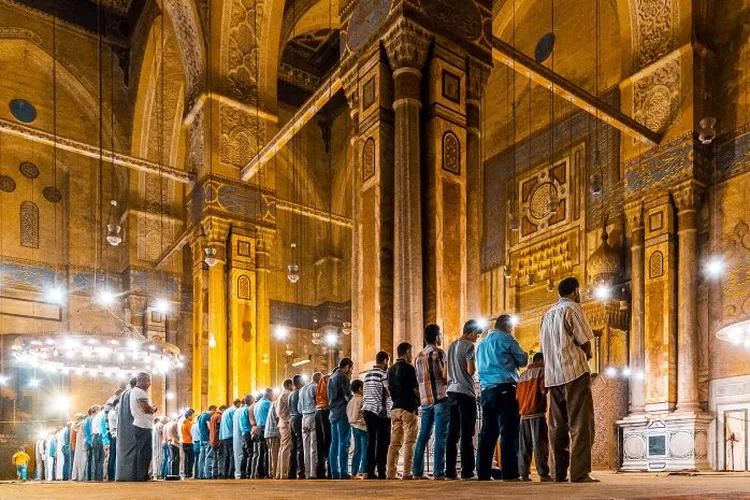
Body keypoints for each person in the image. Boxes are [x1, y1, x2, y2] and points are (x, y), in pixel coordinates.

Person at [540, 277, 597, 483]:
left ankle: (558, 473)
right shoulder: (573, 308)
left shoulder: (546, 315)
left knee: (557, 426)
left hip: (553, 376)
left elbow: (543, 348)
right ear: (575, 291)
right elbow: (585, 341)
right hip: (574, 372)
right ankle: (580, 473)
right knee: (581, 423)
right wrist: (587, 355)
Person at [476, 314, 528, 481]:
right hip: (505, 389)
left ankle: (483, 473)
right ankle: (510, 473)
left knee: (487, 433)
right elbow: (522, 360)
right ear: (507, 327)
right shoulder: (507, 339)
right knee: (508, 432)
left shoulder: (481, 343)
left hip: (486, 391)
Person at [445, 319, 482, 480]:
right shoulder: (469, 346)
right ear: (472, 332)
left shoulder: (450, 346)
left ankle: (450, 472)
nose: (477, 338)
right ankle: (467, 472)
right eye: (477, 335)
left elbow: (444, 373)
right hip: (465, 393)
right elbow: (470, 370)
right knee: (467, 433)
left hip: (451, 392)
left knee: (452, 434)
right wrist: (471, 370)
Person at [413, 324, 449, 480]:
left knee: (423, 436)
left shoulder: (418, 357)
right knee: (440, 435)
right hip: (440, 398)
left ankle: (417, 472)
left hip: (425, 400)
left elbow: (417, 380)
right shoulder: (439, 353)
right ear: (436, 337)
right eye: (439, 335)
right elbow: (445, 375)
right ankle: (438, 472)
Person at [387, 342, 420, 480]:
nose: (411, 354)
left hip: (395, 408)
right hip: (408, 407)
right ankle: (407, 472)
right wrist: (420, 401)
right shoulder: (409, 368)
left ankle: (391, 474)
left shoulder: (390, 369)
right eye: (411, 351)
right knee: (409, 442)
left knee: (394, 443)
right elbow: (415, 389)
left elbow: (390, 389)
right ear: (407, 351)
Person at [517, 352, 551, 482]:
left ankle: (524, 474)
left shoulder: (522, 376)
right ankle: (543, 473)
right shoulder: (542, 372)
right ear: (541, 361)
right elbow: (544, 390)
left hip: (523, 414)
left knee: (524, 445)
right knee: (540, 444)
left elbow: (517, 396)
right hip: (537, 413)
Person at [362, 351, 390, 480]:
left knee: (371, 441)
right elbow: (388, 393)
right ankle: (381, 471)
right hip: (379, 411)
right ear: (385, 361)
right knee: (382, 443)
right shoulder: (383, 374)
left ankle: (369, 471)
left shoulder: (367, 375)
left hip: (367, 410)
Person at [328, 358, 354, 479]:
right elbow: (347, 395)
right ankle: (343, 472)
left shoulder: (331, 377)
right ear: (347, 366)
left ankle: (334, 472)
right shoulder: (343, 377)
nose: (352, 371)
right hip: (342, 412)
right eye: (351, 368)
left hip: (333, 413)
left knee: (334, 443)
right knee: (344, 443)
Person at [130, 372, 157, 481]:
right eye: (148, 381)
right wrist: (153, 409)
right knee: (144, 452)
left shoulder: (134, 392)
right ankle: (141, 475)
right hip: (143, 426)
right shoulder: (140, 393)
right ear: (141, 381)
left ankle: (140, 475)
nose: (149, 384)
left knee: (142, 451)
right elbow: (145, 408)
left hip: (140, 425)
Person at [115, 377, 138, 481]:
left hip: (123, 430)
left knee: (123, 453)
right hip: (131, 428)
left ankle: (123, 475)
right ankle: (132, 475)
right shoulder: (133, 393)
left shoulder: (124, 394)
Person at [300, 373, 319, 479]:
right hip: (312, 417)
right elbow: (318, 401)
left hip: (304, 418)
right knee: (313, 446)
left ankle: (306, 473)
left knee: (305, 447)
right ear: (317, 379)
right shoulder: (314, 387)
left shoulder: (302, 389)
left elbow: (299, 407)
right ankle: (313, 473)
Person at [347, 379, 367, 479]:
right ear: (360, 389)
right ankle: (364, 471)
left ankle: (354, 473)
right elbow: (363, 414)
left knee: (357, 450)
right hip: (363, 428)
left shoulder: (350, 401)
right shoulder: (362, 400)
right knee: (365, 449)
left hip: (354, 428)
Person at [253, 388, 273, 478]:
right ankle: (266, 472)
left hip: (258, 429)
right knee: (267, 452)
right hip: (265, 428)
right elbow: (274, 414)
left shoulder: (257, 404)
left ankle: (258, 473)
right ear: (268, 394)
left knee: (260, 452)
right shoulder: (267, 403)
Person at [315, 372, 332, 478]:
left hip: (318, 411)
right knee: (330, 441)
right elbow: (330, 396)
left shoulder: (321, 382)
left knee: (320, 444)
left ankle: (320, 471)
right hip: (327, 411)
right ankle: (331, 471)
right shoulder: (329, 379)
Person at [219, 399, 241, 479]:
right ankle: (231, 474)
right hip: (231, 435)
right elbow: (235, 424)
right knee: (233, 455)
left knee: (227, 456)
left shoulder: (225, 411)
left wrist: (221, 437)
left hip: (224, 436)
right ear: (238, 403)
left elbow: (221, 425)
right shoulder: (235, 411)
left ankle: (225, 473)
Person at [276, 379, 293, 479]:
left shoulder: (281, 394)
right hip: (285, 422)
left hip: (282, 422)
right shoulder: (287, 394)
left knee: (282, 448)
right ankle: (284, 473)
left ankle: (279, 473)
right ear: (289, 385)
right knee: (286, 448)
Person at [289, 375, 305, 479]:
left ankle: (292, 472)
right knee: (300, 446)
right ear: (300, 382)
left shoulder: (290, 394)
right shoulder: (300, 392)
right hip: (299, 418)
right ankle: (301, 471)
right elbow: (301, 408)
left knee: (293, 447)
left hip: (292, 419)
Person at [197, 405, 216, 480]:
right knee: (209, 456)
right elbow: (209, 427)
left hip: (202, 438)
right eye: (215, 411)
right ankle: (208, 474)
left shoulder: (201, 416)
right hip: (207, 439)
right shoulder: (208, 416)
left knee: (201, 458)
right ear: (213, 410)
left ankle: (200, 474)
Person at [265, 393, 281, 480]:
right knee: (275, 454)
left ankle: (271, 472)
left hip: (268, 432)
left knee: (271, 454)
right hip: (274, 432)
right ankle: (275, 473)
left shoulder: (273, 403)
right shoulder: (277, 403)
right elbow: (278, 417)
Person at [209, 405, 225, 479]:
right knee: (220, 457)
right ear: (222, 409)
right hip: (218, 440)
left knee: (215, 457)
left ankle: (214, 473)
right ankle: (220, 473)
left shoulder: (213, 416)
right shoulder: (219, 416)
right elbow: (219, 429)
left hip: (212, 440)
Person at [233, 397, 247, 479]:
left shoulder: (236, 412)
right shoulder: (242, 411)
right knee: (241, 456)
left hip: (236, 437)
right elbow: (243, 426)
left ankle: (237, 473)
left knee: (237, 456)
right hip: (241, 436)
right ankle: (240, 473)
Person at [71, 414, 87, 481]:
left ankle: (75, 476)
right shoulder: (83, 424)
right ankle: (81, 477)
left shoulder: (76, 426)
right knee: (83, 461)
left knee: (77, 461)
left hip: (78, 446)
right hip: (82, 445)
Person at [107, 397, 119, 481]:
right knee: (113, 456)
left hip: (113, 435)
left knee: (113, 456)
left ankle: (112, 475)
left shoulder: (111, 412)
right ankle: (111, 475)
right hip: (114, 436)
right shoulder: (113, 413)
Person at [182, 409, 196, 478]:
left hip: (184, 442)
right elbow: (191, 433)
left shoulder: (183, 423)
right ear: (189, 416)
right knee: (191, 459)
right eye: (192, 415)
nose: (193, 417)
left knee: (186, 459)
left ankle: (186, 472)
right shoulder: (189, 424)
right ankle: (189, 473)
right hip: (189, 442)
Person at [191, 410, 202, 479]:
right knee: (200, 459)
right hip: (199, 442)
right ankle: (199, 474)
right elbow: (201, 434)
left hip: (194, 443)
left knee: (196, 460)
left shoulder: (193, 425)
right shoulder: (199, 426)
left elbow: (191, 434)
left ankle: (195, 474)